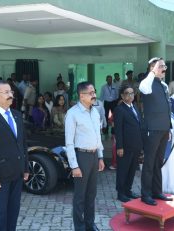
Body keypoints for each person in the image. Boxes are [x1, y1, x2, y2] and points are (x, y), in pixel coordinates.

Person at [0, 80, 29, 231]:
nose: (10, 95)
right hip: (0, 177)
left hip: (17, 172)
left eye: (11, 92)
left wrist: (26, 167)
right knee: (1, 213)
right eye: (6, 92)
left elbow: (22, 143)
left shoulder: (16, 115)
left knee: (14, 211)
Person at [65, 81, 105, 231]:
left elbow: (98, 136)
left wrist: (100, 156)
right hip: (81, 157)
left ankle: (90, 223)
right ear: (82, 96)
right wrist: (74, 165)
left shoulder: (94, 112)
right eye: (91, 93)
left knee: (91, 194)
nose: (94, 95)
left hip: (94, 156)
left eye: (94, 92)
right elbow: (69, 143)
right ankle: (79, 226)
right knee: (80, 196)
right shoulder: (72, 114)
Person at [138, 57, 173, 206]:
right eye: (161, 66)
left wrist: (168, 127)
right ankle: (146, 194)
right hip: (152, 130)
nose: (164, 69)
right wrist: (153, 71)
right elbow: (144, 89)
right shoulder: (147, 83)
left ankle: (157, 191)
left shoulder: (164, 85)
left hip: (164, 129)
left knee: (158, 162)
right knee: (149, 163)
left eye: (164, 66)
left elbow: (167, 108)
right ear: (152, 67)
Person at [114, 84, 143, 202]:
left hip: (136, 145)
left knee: (131, 170)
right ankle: (120, 193)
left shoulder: (135, 106)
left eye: (132, 93)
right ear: (122, 95)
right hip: (125, 146)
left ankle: (128, 190)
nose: (130, 96)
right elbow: (118, 129)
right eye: (127, 93)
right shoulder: (120, 109)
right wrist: (119, 146)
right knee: (123, 170)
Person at [161, 113, 174, 196]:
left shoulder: (172, 114)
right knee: (166, 166)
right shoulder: (161, 114)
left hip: (173, 144)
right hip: (166, 144)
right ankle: (164, 187)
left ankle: (172, 187)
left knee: (173, 166)